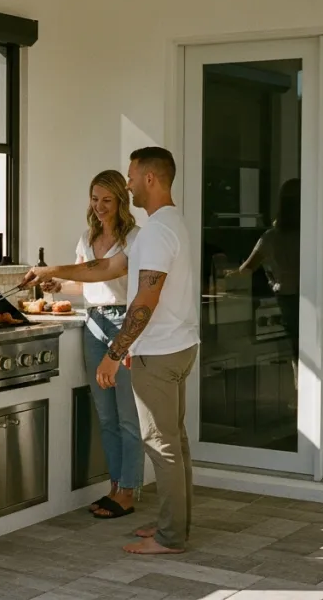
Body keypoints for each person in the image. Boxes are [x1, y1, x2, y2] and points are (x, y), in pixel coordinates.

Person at [26, 146, 199, 555]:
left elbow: (144, 300)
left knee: (163, 447)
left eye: (132, 176)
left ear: (150, 179)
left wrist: (114, 351)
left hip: (158, 351)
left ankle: (171, 537)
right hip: (177, 345)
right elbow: (106, 269)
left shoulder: (155, 231)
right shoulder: (168, 224)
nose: (128, 184)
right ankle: (173, 525)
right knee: (175, 443)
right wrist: (54, 271)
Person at [41, 170, 143, 520]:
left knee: (128, 416)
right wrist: (59, 286)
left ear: (120, 202)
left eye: (106, 200)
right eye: (94, 198)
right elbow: (87, 286)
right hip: (93, 323)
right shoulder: (87, 237)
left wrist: (60, 271)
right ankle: (115, 486)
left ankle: (129, 490)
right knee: (105, 416)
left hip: (123, 324)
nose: (99, 206)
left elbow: (108, 273)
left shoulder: (134, 239)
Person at [236, 178, 300, 361]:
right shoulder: (315, 234)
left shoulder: (272, 237)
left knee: (296, 352)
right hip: (312, 299)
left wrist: (227, 273)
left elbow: (246, 269)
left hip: (287, 299)